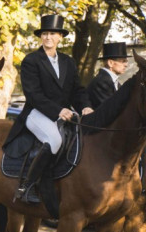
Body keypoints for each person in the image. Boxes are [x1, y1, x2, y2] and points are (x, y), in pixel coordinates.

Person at [7, 14, 93, 203]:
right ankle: (28, 185)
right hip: (36, 112)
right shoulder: (31, 60)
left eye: (53, 34)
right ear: (41, 37)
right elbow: (33, 94)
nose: (48, 37)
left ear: (60, 37)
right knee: (54, 140)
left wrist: (85, 106)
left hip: (63, 113)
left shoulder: (68, 61)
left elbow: (77, 90)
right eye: (45, 33)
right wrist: (58, 111)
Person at [86, 41, 129, 108]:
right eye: (123, 61)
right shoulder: (101, 82)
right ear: (110, 63)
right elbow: (111, 109)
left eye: (126, 61)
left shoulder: (114, 81)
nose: (126, 65)